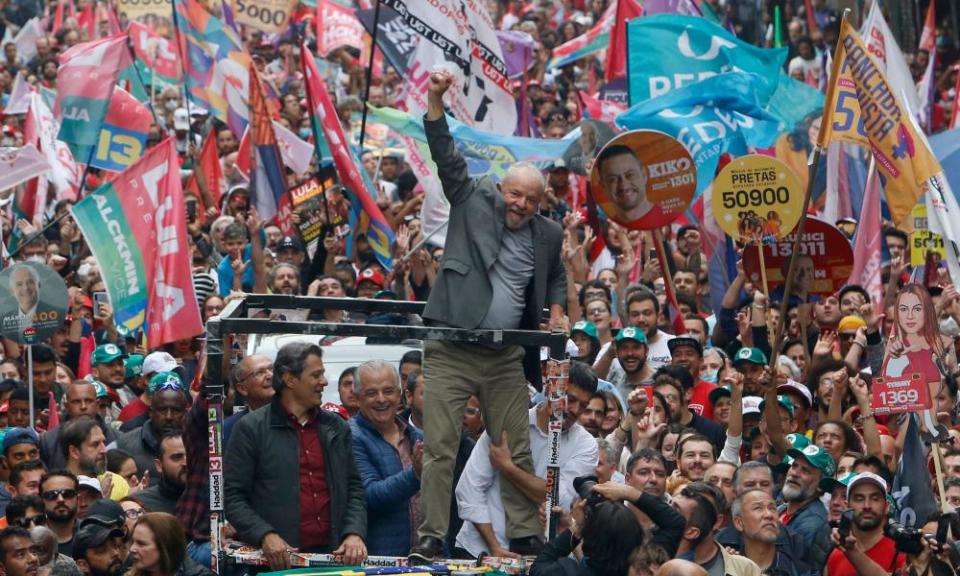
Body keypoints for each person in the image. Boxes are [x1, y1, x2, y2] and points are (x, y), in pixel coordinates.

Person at [412, 70, 566, 562]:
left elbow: (557, 276)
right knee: (439, 446)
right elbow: (444, 153)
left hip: (505, 355)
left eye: (530, 199)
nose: (519, 204)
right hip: (452, 349)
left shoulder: (548, 233)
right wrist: (436, 99)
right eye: (513, 194)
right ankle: (433, 534)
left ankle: (524, 534)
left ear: (541, 203)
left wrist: (558, 309)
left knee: (513, 447)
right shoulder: (472, 196)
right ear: (501, 188)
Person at [224, 343, 367, 570]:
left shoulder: (336, 427)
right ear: (290, 380)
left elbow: (354, 487)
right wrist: (265, 534)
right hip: (278, 564)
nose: (325, 381)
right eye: (316, 375)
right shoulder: (251, 428)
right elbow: (233, 496)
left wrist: (354, 533)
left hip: (333, 560)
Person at [454, 362, 598, 559]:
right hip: (478, 549)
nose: (574, 410)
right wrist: (494, 548)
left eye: (583, 405)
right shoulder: (507, 424)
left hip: (536, 558)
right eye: (570, 399)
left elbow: (555, 499)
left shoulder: (585, 445)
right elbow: (469, 488)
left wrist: (508, 468)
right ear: (550, 389)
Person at [348, 360, 422, 556]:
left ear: (400, 394)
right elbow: (369, 496)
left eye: (388, 391)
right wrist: (415, 475)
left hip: (427, 558)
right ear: (357, 398)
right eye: (371, 393)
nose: (381, 399)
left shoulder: (417, 437)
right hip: (379, 560)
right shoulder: (351, 436)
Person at [883, 284, 948, 438]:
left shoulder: (937, 345)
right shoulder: (895, 351)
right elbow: (889, 396)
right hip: (907, 435)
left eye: (917, 310)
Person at [825, 472, 906, 575]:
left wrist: (852, 551)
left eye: (875, 499)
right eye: (859, 499)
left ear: (887, 507)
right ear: (847, 506)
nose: (867, 505)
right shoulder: (835, 557)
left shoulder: (900, 554)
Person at [112, 373, 187, 476]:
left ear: (185, 413)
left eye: (176, 410)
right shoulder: (124, 445)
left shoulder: (199, 444)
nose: (169, 416)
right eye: (162, 410)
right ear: (151, 413)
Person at [596, 145, 658, 223]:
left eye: (630, 175)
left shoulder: (673, 221)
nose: (623, 186)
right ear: (603, 186)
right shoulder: (607, 230)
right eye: (613, 179)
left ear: (644, 175)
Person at [135, 433, 185, 515]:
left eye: (191, 456)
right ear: (159, 465)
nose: (185, 463)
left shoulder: (211, 499)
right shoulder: (140, 504)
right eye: (177, 457)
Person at [38, 470, 78, 556]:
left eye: (68, 494)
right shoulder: (31, 540)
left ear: (77, 498)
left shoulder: (91, 535)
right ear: (41, 500)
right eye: (51, 495)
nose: (60, 500)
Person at [3, 264, 40, 332]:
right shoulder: (4, 319)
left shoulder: (55, 313)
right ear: (11, 291)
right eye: (19, 284)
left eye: (30, 282)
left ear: (38, 285)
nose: (25, 288)